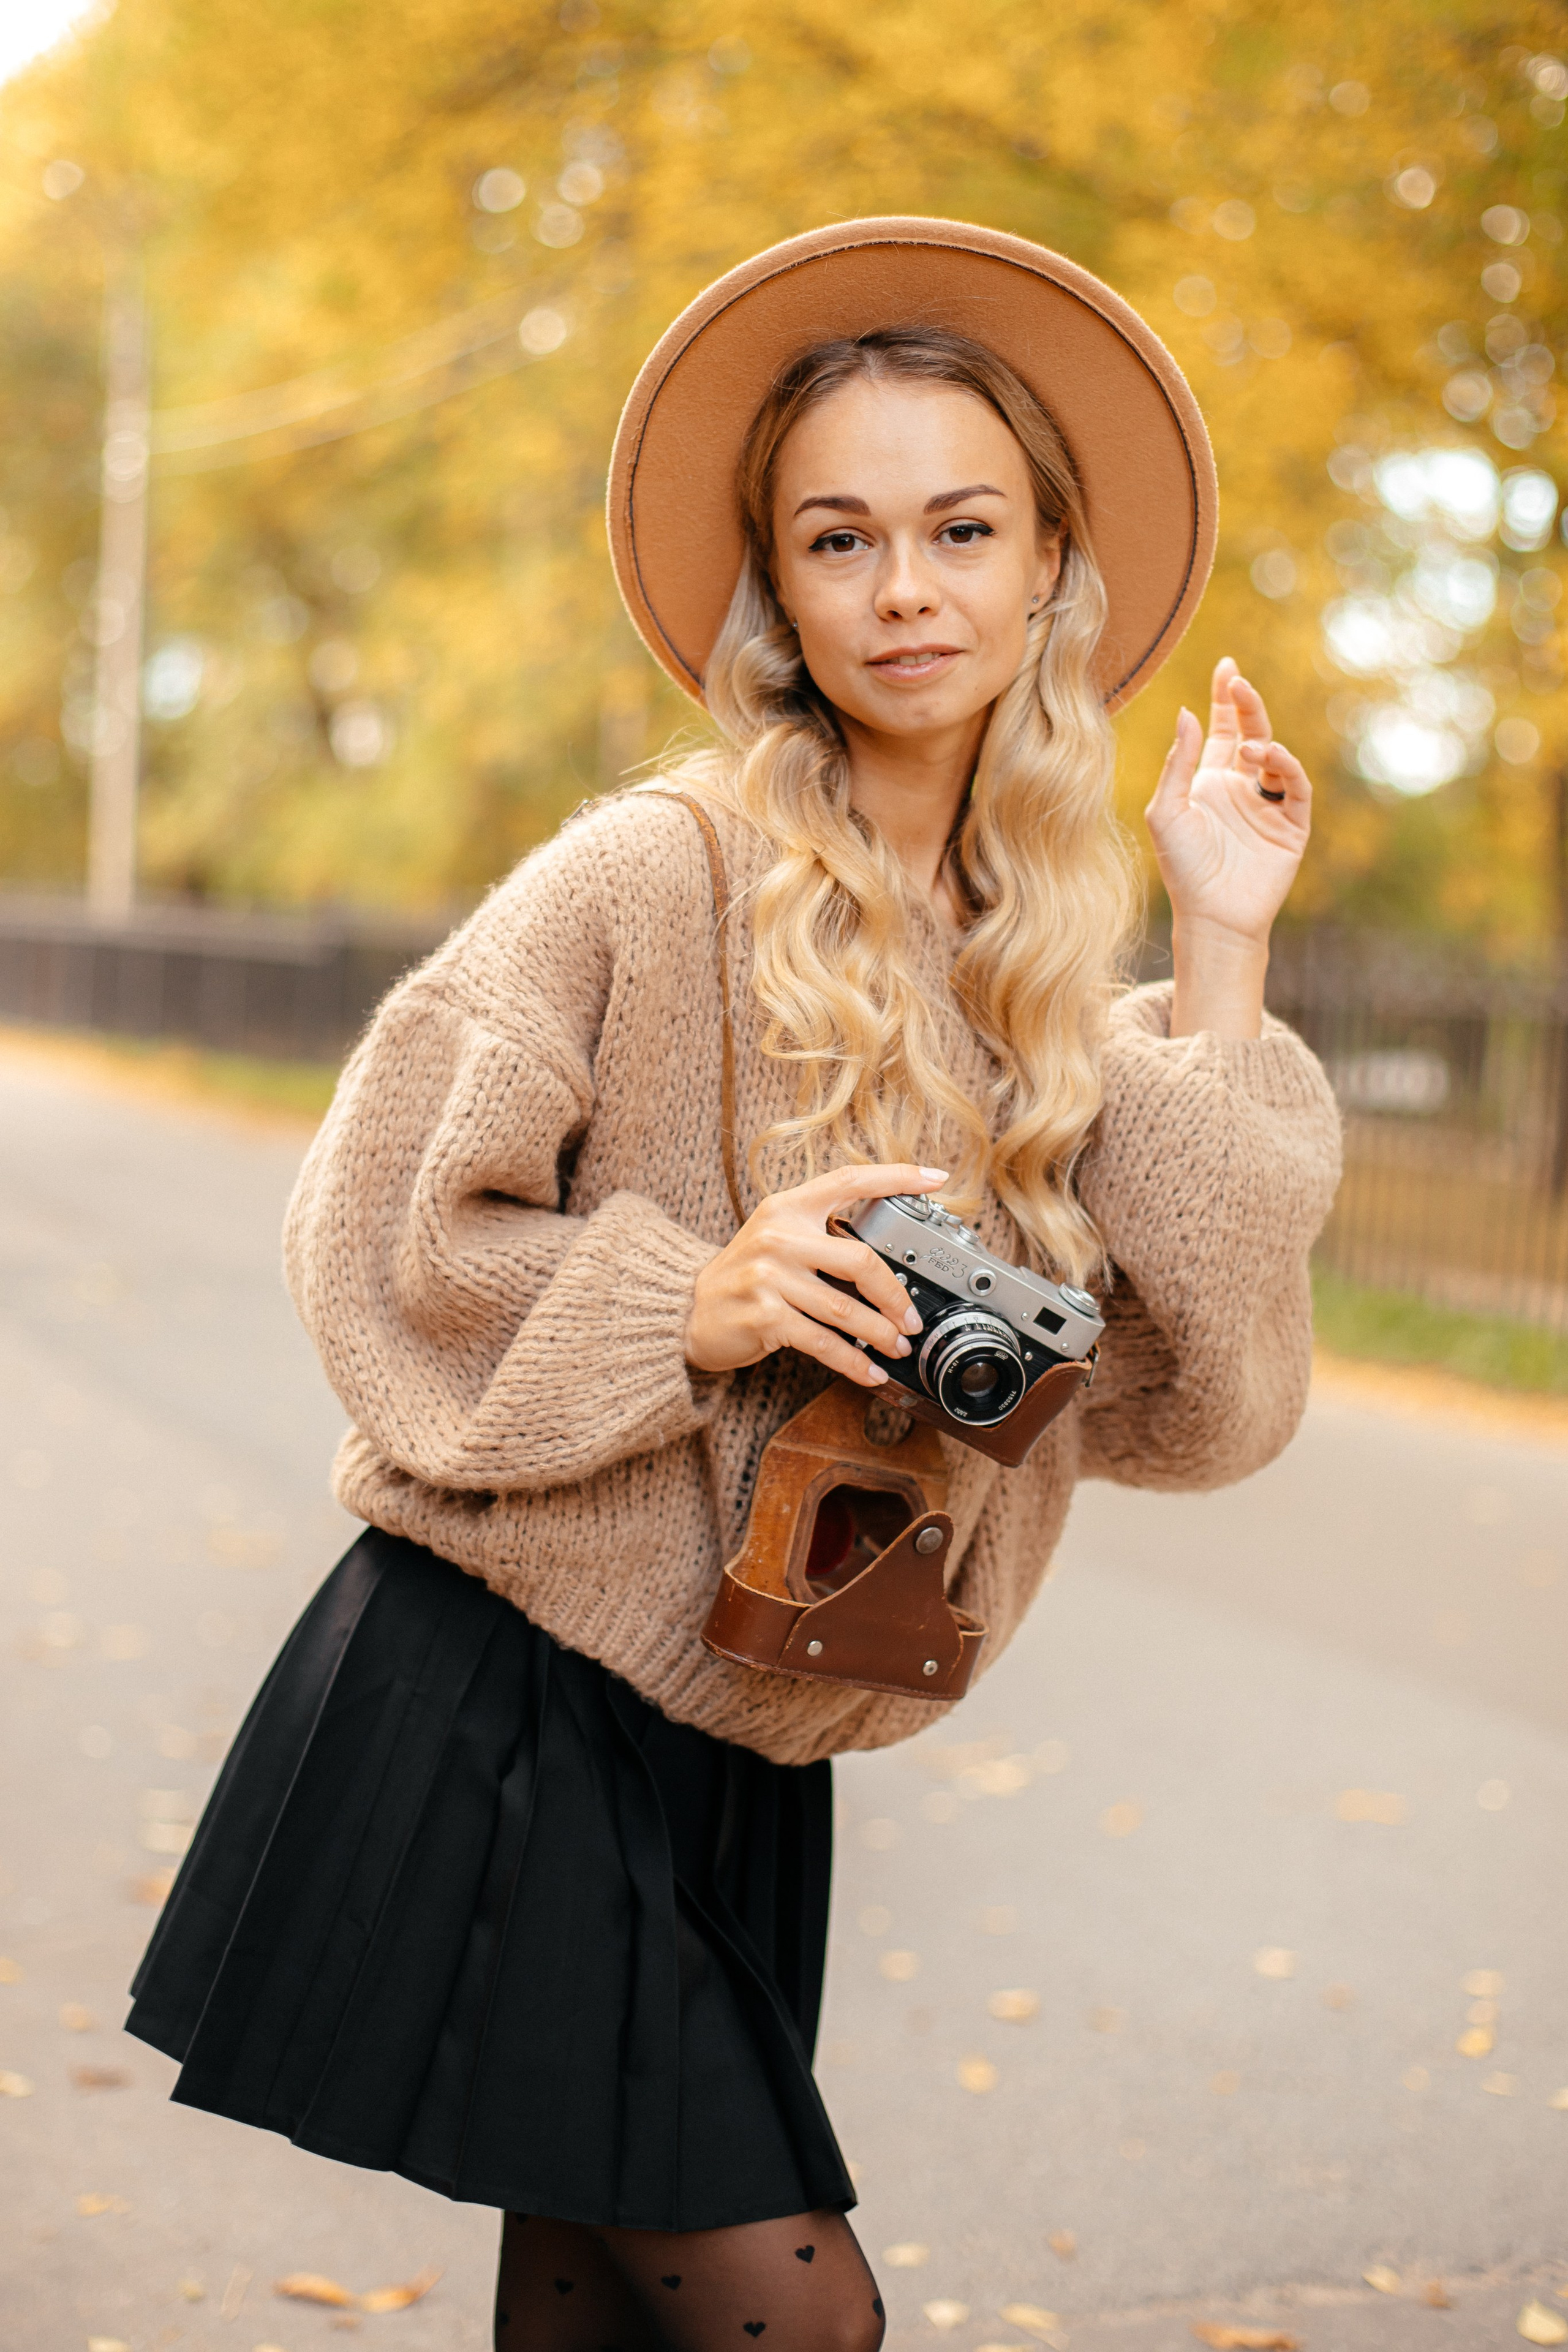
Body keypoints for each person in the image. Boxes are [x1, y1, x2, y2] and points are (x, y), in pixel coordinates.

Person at [126, 221, 1341, 2352]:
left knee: (598, 2324)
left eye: (965, 529)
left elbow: (1198, 1404)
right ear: (773, 585)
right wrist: (684, 1301)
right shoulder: (649, 872)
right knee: (804, 2315)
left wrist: (1217, 946)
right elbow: (372, 1224)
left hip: (745, 1740)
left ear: (1053, 566)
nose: (906, 589)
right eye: (840, 537)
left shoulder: (1040, 973)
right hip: (504, 1691)